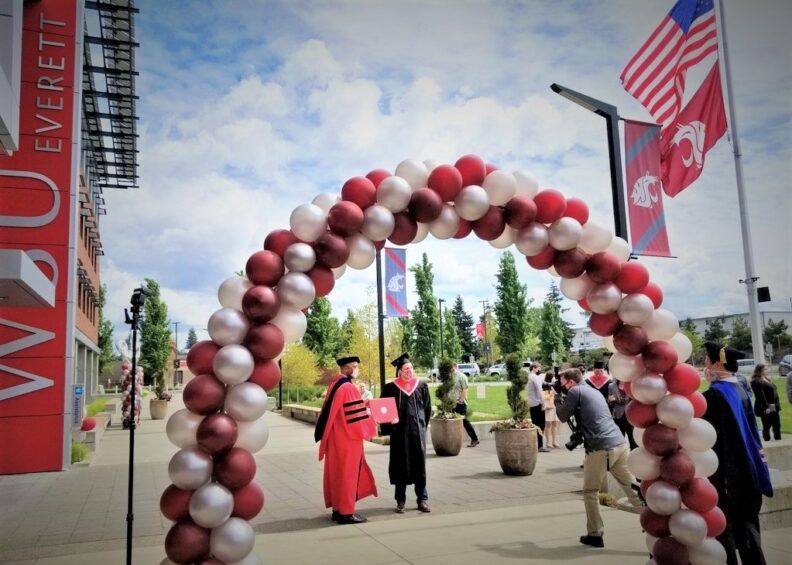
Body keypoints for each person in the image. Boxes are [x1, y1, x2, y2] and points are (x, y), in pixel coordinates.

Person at [554, 368, 643, 548]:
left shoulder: (575, 391)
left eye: (562, 383)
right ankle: (655, 524)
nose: (561, 386)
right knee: (630, 486)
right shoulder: (593, 391)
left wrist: (556, 399)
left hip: (600, 447)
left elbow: (562, 416)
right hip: (618, 443)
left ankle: (595, 534)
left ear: (570, 382)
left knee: (590, 492)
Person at [702, 342, 773, 565]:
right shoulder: (739, 389)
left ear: (716, 364)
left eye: (706, 362)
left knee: (727, 532)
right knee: (750, 533)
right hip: (749, 470)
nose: (704, 367)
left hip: (728, 476)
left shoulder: (714, 396)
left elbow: (708, 439)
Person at [314, 355, 377, 524]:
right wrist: (371, 422)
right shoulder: (348, 387)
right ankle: (346, 513)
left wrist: (363, 405)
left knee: (337, 473)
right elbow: (355, 417)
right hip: (348, 439)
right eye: (355, 366)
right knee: (348, 474)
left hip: (335, 437)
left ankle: (337, 509)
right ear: (347, 369)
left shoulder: (335, 384)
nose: (357, 369)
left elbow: (346, 409)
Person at [380, 353, 432, 513]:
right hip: (399, 434)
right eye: (406, 369)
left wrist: (422, 426)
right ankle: (400, 500)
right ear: (399, 372)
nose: (409, 372)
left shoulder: (421, 386)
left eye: (411, 368)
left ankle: (422, 499)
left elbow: (427, 408)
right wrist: (389, 424)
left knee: (419, 466)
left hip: (417, 433)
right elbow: (383, 409)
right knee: (400, 465)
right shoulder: (390, 388)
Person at [751, 364, 781, 441]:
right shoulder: (756, 382)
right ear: (760, 370)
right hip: (765, 407)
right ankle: (767, 441)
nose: (768, 370)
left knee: (776, 425)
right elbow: (760, 396)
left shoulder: (766, 379)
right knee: (767, 425)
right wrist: (767, 407)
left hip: (773, 406)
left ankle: (778, 441)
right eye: (765, 369)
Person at [451, 365, 479, 447]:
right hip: (452, 403)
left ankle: (475, 439)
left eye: (451, 367)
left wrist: (461, 400)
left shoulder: (461, 376)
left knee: (464, 421)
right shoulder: (450, 377)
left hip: (460, 403)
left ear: (455, 366)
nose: (450, 369)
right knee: (453, 422)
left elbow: (465, 389)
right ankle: (454, 441)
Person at [526, 363, 550, 452]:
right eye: (539, 368)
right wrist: (543, 404)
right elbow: (539, 391)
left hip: (531, 403)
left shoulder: (528, 377)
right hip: (537, 403)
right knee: (541, 425)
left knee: (535, 424)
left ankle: (536, 444)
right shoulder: (535, 377)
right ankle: (540, 446)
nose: (540, 370)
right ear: (534, 368)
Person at [608, 378, 637, 450]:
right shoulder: (611, 386)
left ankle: (633, 456)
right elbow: (610, 402)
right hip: (618, 416)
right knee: (619, 440)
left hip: (630, 416)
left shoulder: (632, 385)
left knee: (633, 439)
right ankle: (621, 457)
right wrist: (610, 400)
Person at [542, 371, 561, 449]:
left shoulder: (555, 385)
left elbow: (558, 393)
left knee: (555, 423)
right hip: (549, 407)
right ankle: (548, 442)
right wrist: (552, 391)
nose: (554, 378)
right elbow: (545, 396)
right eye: (553, 376)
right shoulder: (544, 385)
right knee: (549, 424)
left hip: (555, 406)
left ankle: (554, 441)